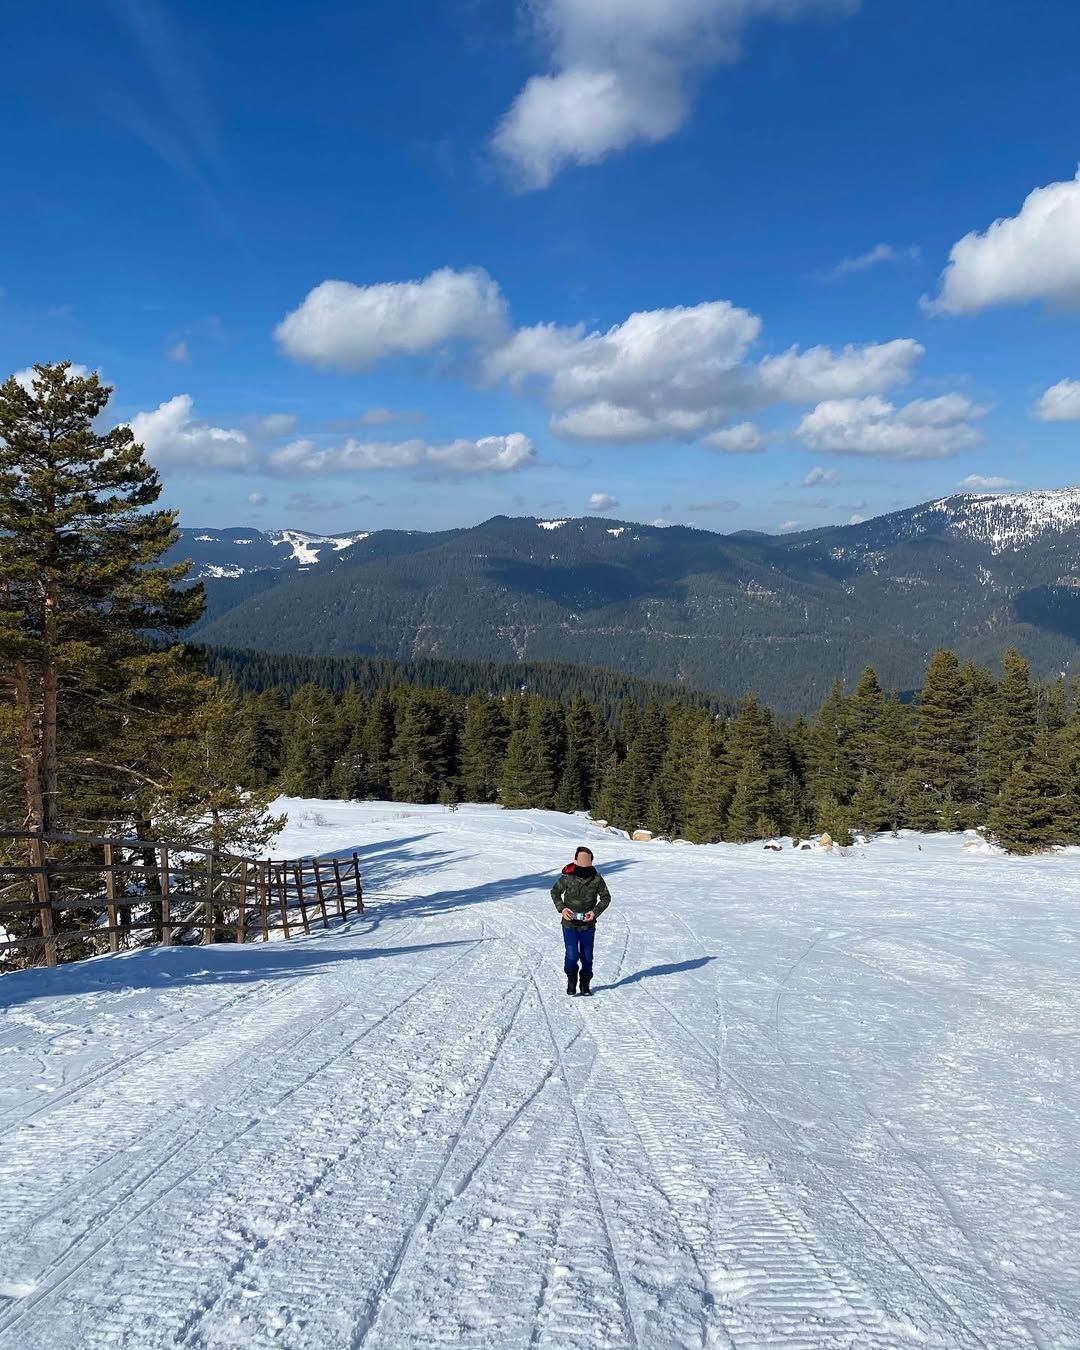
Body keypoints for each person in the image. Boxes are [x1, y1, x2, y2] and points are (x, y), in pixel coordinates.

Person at [550, 845, 611, 996]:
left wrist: (595, 912)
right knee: (572, 956)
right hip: (569, 925)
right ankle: (571, 978)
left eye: (587, 860)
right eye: (581, 859)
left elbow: (606, 898)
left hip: (588, 926)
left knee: (587, 958)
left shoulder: (597, 879)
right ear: (575, 861)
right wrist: (562, 909)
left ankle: (585, 984)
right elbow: (555, 892)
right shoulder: (567, 877)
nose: (584, 863)